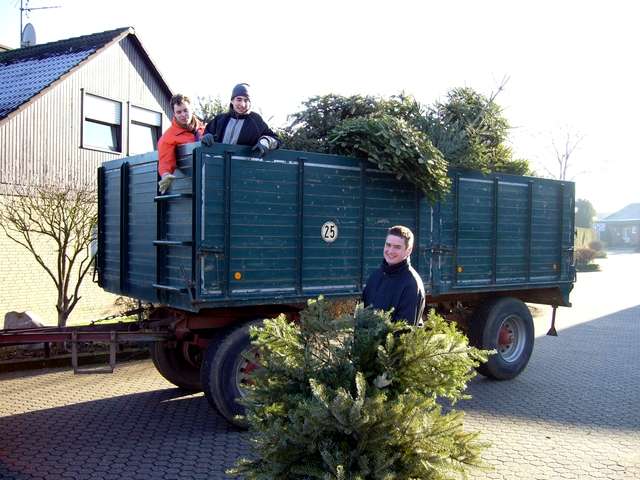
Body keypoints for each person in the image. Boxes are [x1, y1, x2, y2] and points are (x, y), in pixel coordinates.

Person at [363, 225, 426, 325]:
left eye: (397, 247)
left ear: (408, 250)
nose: (390, 251)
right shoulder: (375, 276)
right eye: (388, 245)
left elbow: (404, 333)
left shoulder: (412, 285)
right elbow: (363, 316)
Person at [201, 83, 279, 156]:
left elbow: (275, 139)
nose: (242, 104)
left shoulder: (256, 120)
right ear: (232, 101)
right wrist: (206, 136)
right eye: (239, 99)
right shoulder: (220, 119)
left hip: (242, 167)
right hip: (217, 165)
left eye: (246, 100)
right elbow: (206, 134)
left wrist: (265, 142)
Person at [157, 94, 205, 194]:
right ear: (174, 114)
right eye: (179, 112)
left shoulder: (205, 130)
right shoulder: (168, 136)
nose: (183, 115)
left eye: (185, 110)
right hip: (190, 184)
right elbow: (165, 159)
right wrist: (166, 175)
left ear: (191, 110)